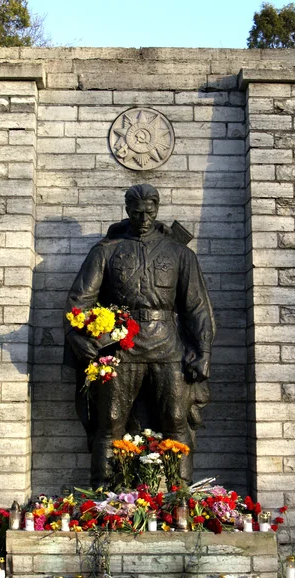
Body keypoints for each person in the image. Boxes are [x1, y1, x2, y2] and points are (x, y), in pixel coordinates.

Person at [63, 184, 215, 489]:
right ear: (127, 210)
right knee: (111, 423)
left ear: (157, 209)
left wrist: (202, 350)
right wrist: (79, 336)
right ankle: (104, 496)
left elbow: (197, 307)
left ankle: (178, 494)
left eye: (149, 211)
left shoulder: (179, 254)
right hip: (120, 348)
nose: (143, 217)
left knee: (176, 420)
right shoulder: (106, 251)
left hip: (167, 345)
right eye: (136, 211)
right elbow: (80, 301)